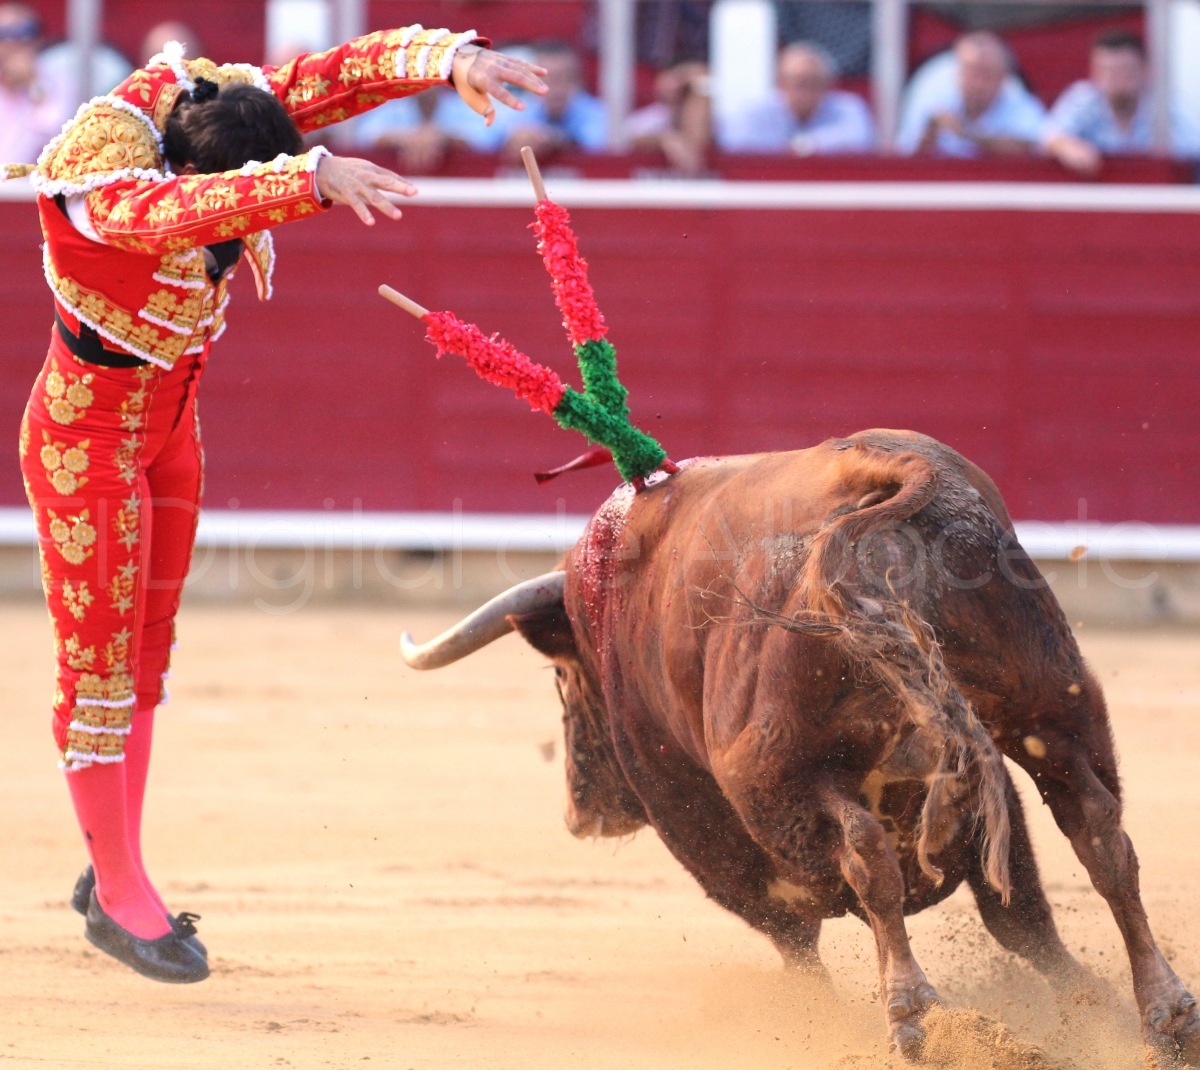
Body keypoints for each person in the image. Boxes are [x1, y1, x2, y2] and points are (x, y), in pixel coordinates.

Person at [5, 27, 546, 983]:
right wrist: (309, 178)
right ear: (181, 153)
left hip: (170, 430)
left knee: (146, 657)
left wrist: (446, 62)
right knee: (97, 673)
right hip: (84, 444)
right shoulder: (104, 176)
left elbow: (318, 81)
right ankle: (123, 897)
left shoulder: (211, 97)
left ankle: (110, 865)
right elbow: (182, 207)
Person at [1042, 30, 1200, 175]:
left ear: (1145, 70)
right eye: (1105, 70)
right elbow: (1048, 136)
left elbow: (1195, 146)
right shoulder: (1083, 99)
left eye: (1124, 70)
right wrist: (1065, 146)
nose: (1114, 79)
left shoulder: (1164, 105)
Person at [896, 32, 1045, 158]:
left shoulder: (1015, 94)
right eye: (972, 73)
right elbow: (907, 155)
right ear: (958, 71)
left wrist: (967, 133)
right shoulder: (932, 87)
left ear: (1004, 77)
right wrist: (929, 133)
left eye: (987, 73)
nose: (978, 84)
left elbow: (1034, 144)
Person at [717, 42, 874, 155]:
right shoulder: (754, 110)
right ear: (779, 83)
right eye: (797, 82)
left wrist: (803, 146)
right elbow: (734, 141)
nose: (805, 90)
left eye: (814, 82)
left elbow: (860, 138)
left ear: (828, 84)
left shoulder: (849, 107)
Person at [501, 41, 608, 159]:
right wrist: (511, 139)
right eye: (547, 79)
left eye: (564, 78)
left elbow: (600, 143)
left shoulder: (599, 113)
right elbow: (486, 138)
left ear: (578, 81)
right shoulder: (519, 109)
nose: (555, 88)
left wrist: (553, 139)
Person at [0, 4, 64, 164]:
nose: (14, 43)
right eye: (4, 34)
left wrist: (33, 83)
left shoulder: (58, 82)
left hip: (29, 186)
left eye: (26, 31)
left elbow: (58, 138)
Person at [626, 61, 712, 175]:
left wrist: (698, 93)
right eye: (676, 78)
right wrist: (665, 139)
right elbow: (628, 138)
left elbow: (698, 141)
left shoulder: (708, 111)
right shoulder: (650, 116)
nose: (677, 87)